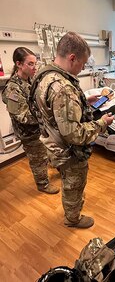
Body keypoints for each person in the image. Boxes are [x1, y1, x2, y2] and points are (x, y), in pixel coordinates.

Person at [31, 32, 114, 229]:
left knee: (69, 180)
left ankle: (71, 214)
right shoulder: (63, 88)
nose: (83, 68)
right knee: (73, 184)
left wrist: (85, 100)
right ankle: (72, 218)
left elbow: (56, 110)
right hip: (68, 149)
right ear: (72, 58)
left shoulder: (45, 74)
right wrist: (102, 123)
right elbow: (75, 134)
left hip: (52, 141)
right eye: (83, 63)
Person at [2, 47, 59, 195]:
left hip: (41, 127)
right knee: (38, 159)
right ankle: (43, 184)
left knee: (49, 150)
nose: (35, 67)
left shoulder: (31, 79)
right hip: (29, 133)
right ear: (19, 64)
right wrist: (48, 115)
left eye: (35, 63)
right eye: (31, 64)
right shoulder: (13, 89)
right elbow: (22, 116)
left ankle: (55, 167)